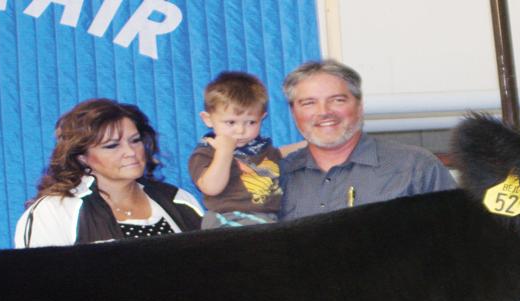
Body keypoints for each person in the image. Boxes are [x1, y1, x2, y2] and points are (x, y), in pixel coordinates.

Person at [277, 59, 455, 220]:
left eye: (337, 100)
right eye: (309, 103)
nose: (324, 112)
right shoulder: (276, 177)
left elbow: (459, 236)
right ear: (293, 113)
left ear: (360, 107)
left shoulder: (415, 167)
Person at [14, 99, 203, 247]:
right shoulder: (55, 210)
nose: (130, 152)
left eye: (135, 140)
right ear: (82, 157)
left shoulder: (179, 200)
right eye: (112, 146)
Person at [189, 71, 297, 229]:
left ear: (262, 118)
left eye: (251, 122)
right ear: (208, 119)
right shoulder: (206, 152)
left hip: (267, 217)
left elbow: (281, 153)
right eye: (231, 122)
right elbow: (211, 188)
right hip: (226, 218)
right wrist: (224, 152)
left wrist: (311, 143)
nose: (240, 130)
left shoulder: (261, 148)